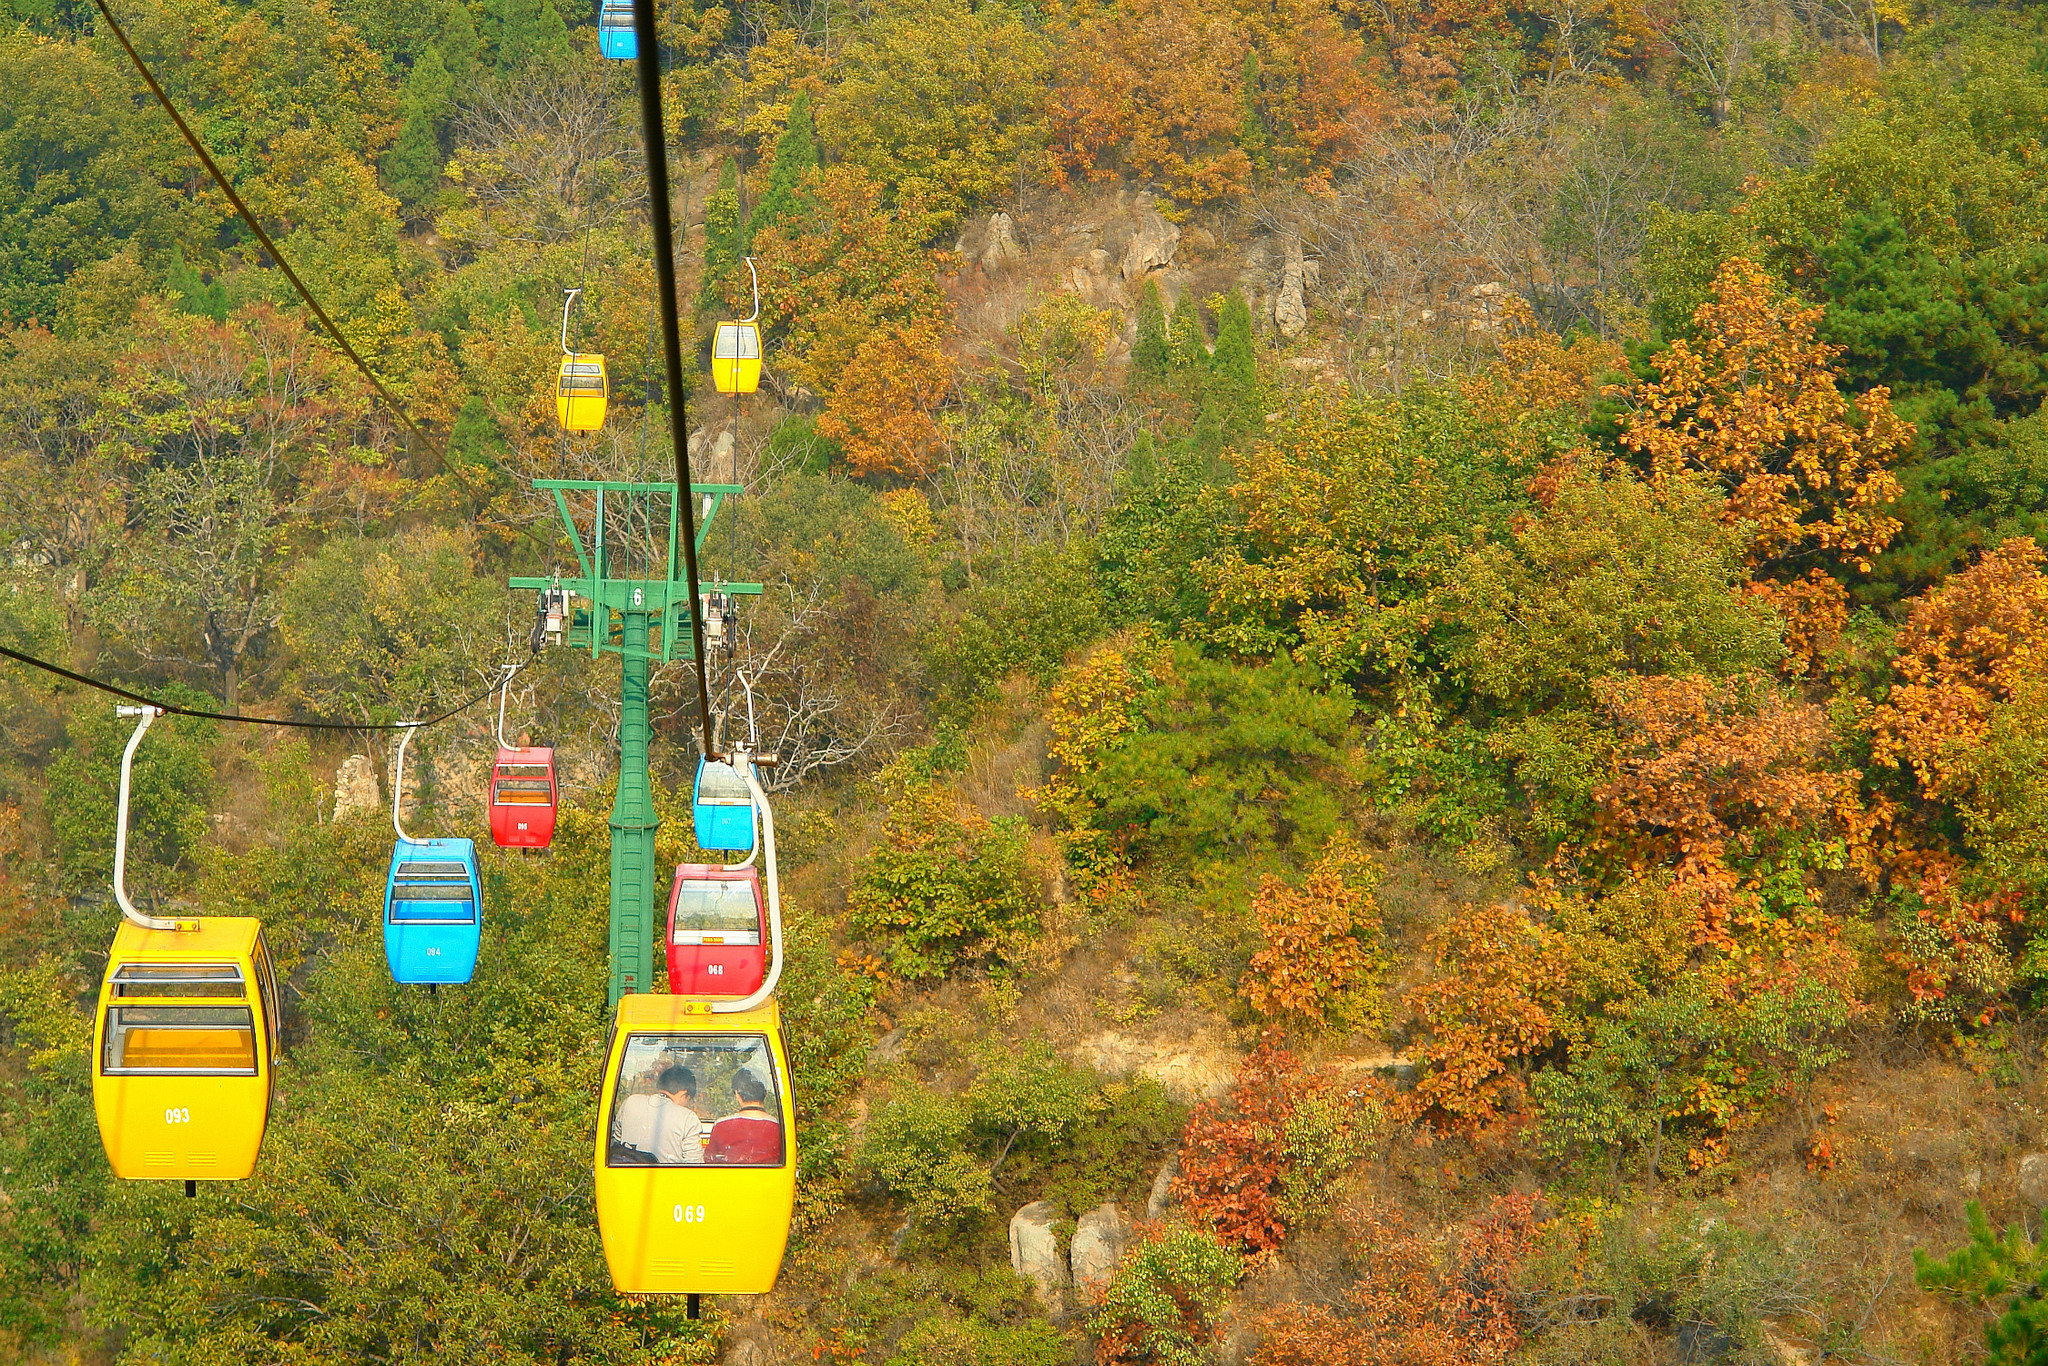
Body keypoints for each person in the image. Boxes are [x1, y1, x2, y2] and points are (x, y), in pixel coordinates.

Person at [706, 1070, 782, 1164]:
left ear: (737, 1094)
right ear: (765, 1093)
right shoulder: (779, 1128)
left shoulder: (721, 1126)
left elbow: (710, 1161)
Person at [650, 1064, 705, 1165]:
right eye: (688, 1100)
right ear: (683, 1094)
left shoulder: (630, 1102)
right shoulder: (687, 1118)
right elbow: (695, 1166)